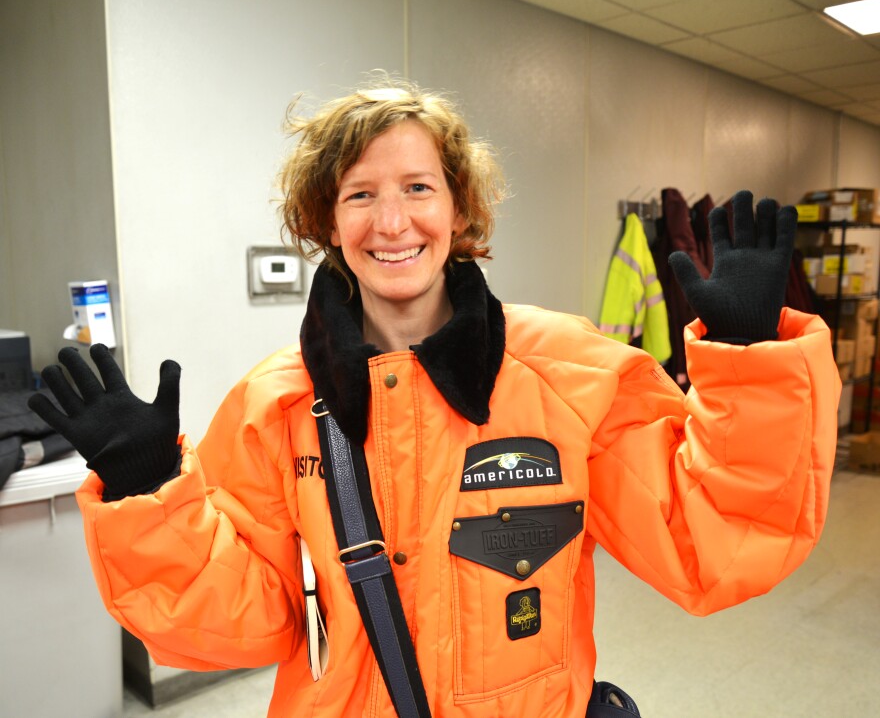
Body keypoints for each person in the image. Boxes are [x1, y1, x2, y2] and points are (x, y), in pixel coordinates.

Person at [29, 79, 840, 718]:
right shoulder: (275, 406)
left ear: (459, 208)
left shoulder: (569, 372)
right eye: (359, 194)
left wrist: (748, 362)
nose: (391, 220)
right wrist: (147, 495)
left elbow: (714, 543)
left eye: (418, 187)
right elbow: (240, 620)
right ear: (327, 219)